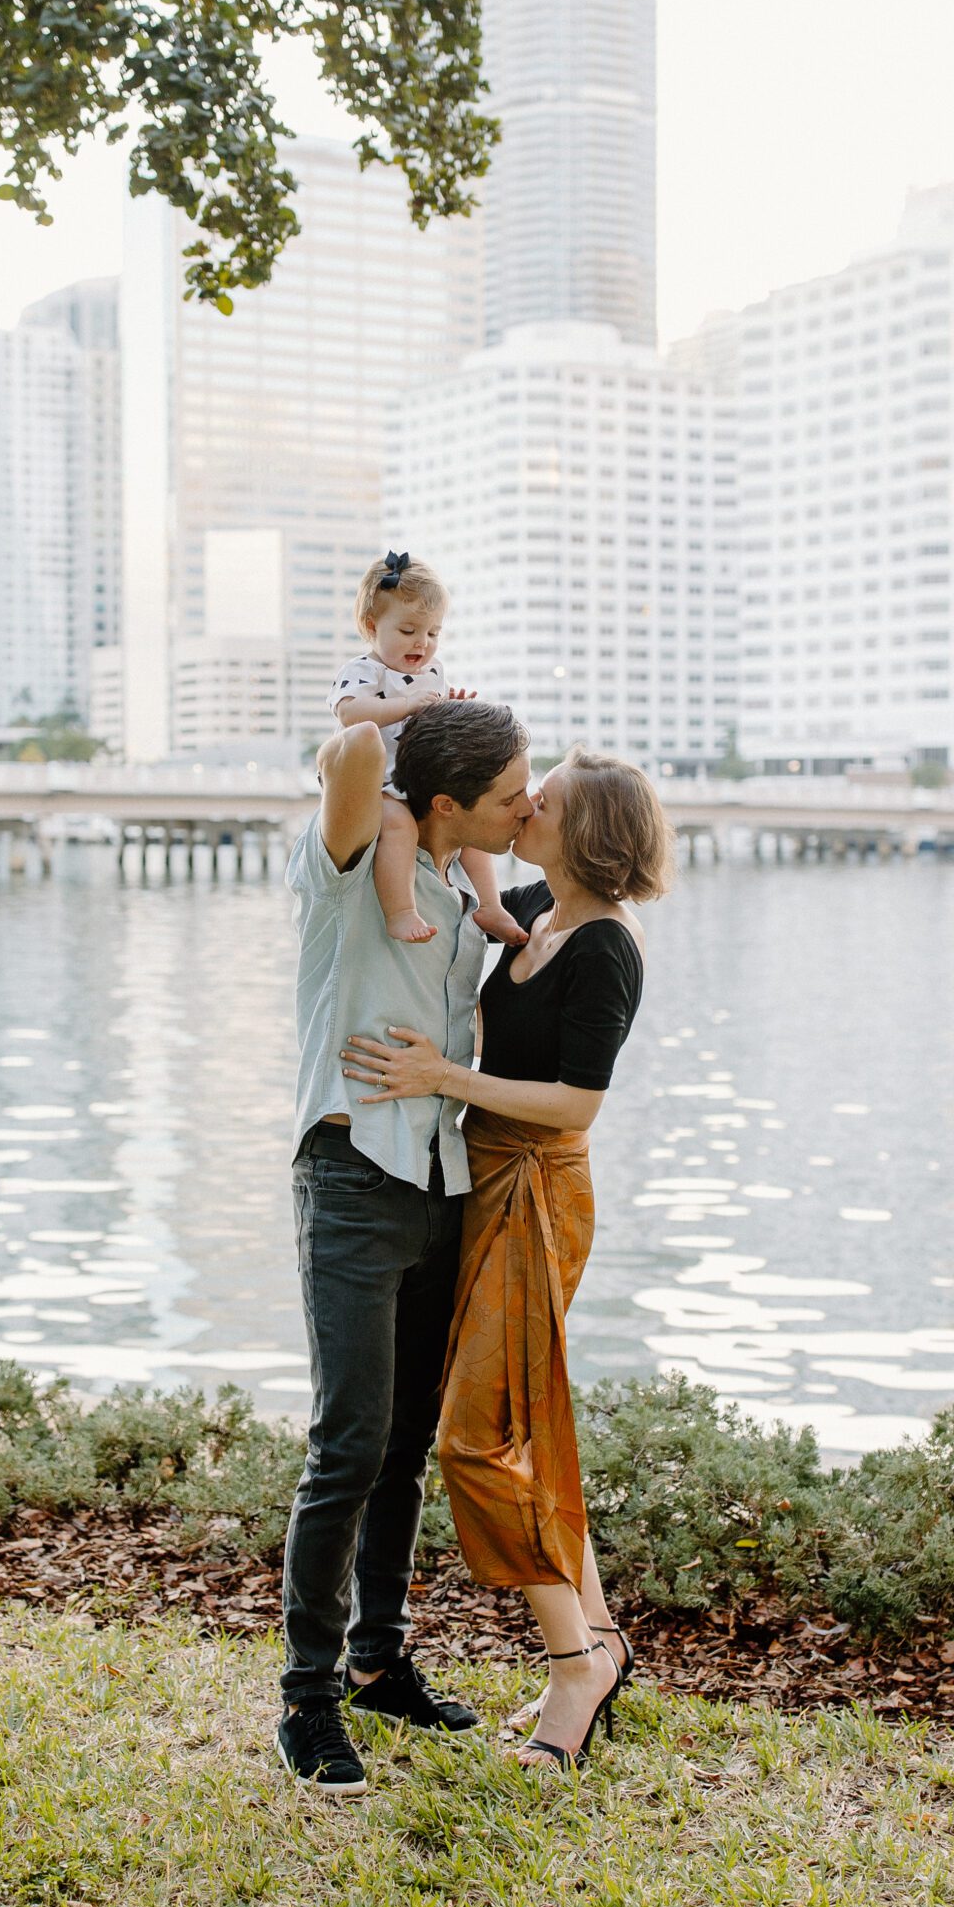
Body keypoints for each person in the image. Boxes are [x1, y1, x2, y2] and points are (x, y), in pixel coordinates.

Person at [342, 749, 676, 1774]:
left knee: (478, 1439)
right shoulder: (531, 905)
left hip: (538, 1184)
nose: (529, 806)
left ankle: (574, 1666)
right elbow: (431, 851)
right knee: (528, 1424)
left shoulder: (607, 945)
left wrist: (446, 1075)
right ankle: (602, 1637)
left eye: (550, 800)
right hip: (475, 1175)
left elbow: (577, 1104)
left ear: (590, 831)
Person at [276, 693, 534, 1794]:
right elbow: (350, 754)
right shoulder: (349, 868)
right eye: (509, 796)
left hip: (442, 1182)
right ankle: (308, 1697)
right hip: (353, 1177)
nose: (525, 810)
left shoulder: (459, 893)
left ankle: (381, 1661)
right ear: (441, 803)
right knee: (349, 1442)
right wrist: (400, 695)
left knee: (405, 1445)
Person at [329, 551, 526, 950]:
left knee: (470, 829)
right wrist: (406, 706)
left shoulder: (431, 672)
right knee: (399, 827)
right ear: (372, 626)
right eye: (408, 631)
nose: (423, 642)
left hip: (417, 774)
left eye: (433, 633)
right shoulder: (364, 671)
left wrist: (453, 705)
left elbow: (430, 720)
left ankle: (489, 905)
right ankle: (400, 910)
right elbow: (351, 714)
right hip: (376, 781)